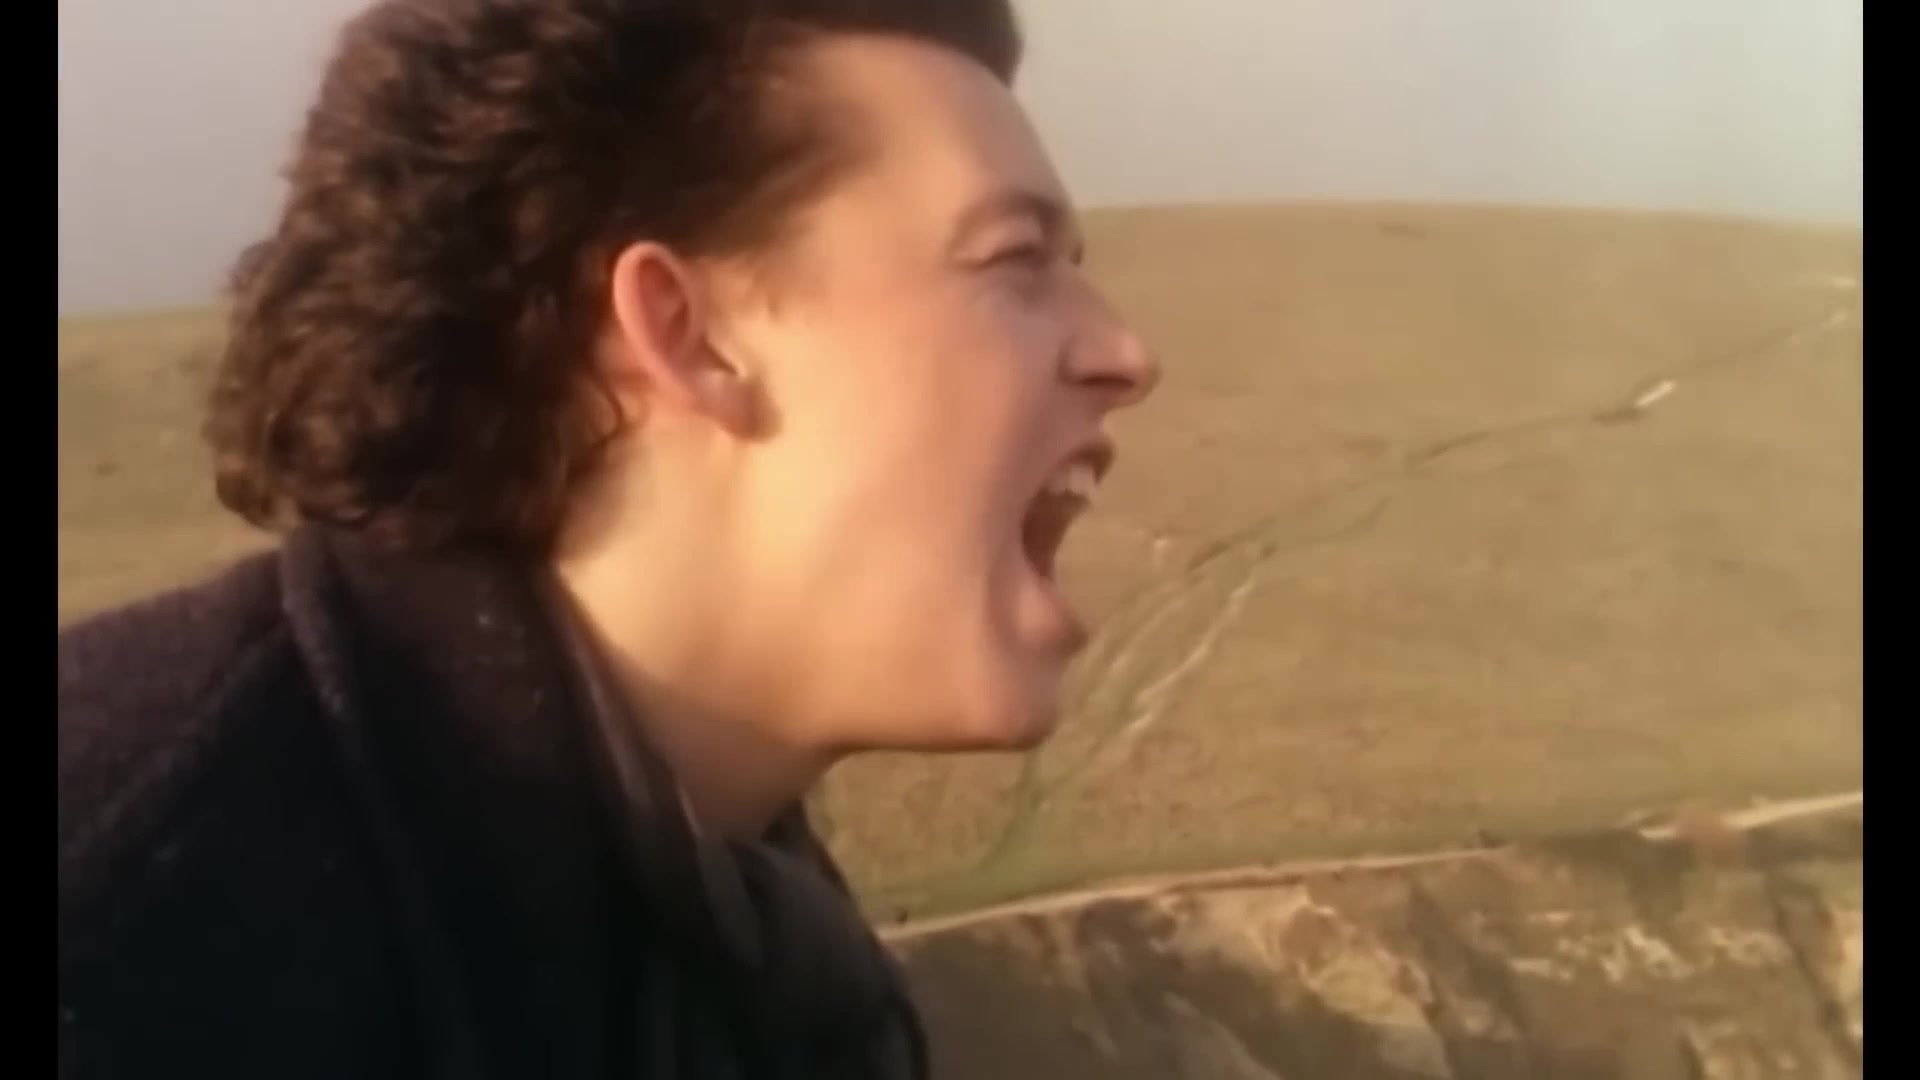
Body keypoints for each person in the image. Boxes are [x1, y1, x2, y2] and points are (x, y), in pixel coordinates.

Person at [56, 0, 1159, 1075]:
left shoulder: (768, 957)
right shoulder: (131, 927)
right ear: (684, 332)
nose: (1125, 353)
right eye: (1014, 258)